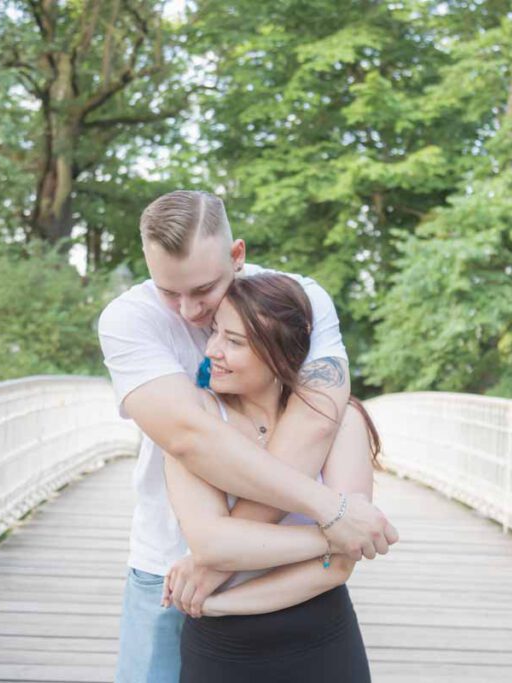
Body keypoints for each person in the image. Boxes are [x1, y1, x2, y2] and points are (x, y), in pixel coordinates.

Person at [97, 190, 398, 682]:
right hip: (171, 571)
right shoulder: (128, 320)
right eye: (168, 291)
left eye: (203, 290)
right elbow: (193, 439)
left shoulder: (293, 299)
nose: (189, 311)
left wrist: (221, 556)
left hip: (257, 579)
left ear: (237, 256)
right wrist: (332, 519)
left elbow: (319, 416)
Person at [163, 273, 376, 681]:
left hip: (321, 640)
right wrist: (335, 534)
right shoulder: (198, 419)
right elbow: (211, 544)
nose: (212, 351)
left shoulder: (341, 420)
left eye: (235, 342)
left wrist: (217, 606)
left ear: (281, 349)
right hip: (220, 652)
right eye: (214, 334)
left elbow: (338, 568)